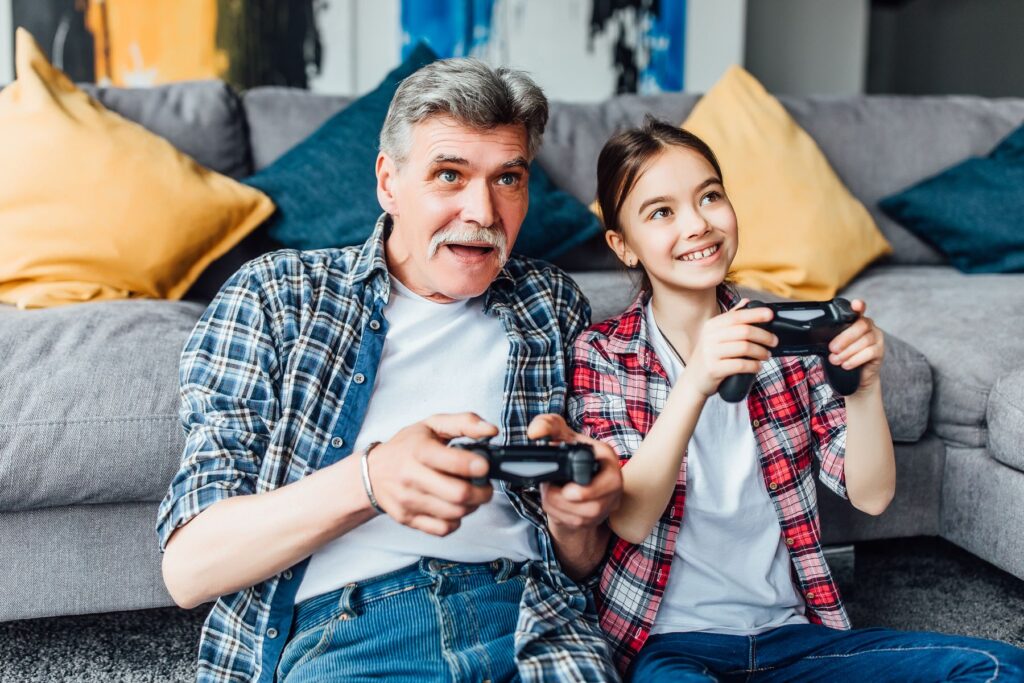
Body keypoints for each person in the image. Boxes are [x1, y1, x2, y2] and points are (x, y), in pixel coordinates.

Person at [157, 58, 622, 683]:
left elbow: (581, 564)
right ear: (388, 182)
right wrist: (371, 482)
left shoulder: (551, 304)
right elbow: (191, 570)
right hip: (354, 627)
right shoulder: (276, 293)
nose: (482, 209)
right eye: (449, 175)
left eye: (507, 177)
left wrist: (577, 521)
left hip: (532, 620)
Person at [568, 116, 1024, 681]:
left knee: (997, 667)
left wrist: (864, 385)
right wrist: (695, 382)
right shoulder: (603, 354)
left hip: (793, 638)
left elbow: (874, 495)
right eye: (661, 212)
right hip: (670, 646)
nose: (698, 224)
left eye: (710, 196)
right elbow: (631, 520)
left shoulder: (792, 344)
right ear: (624, 245)